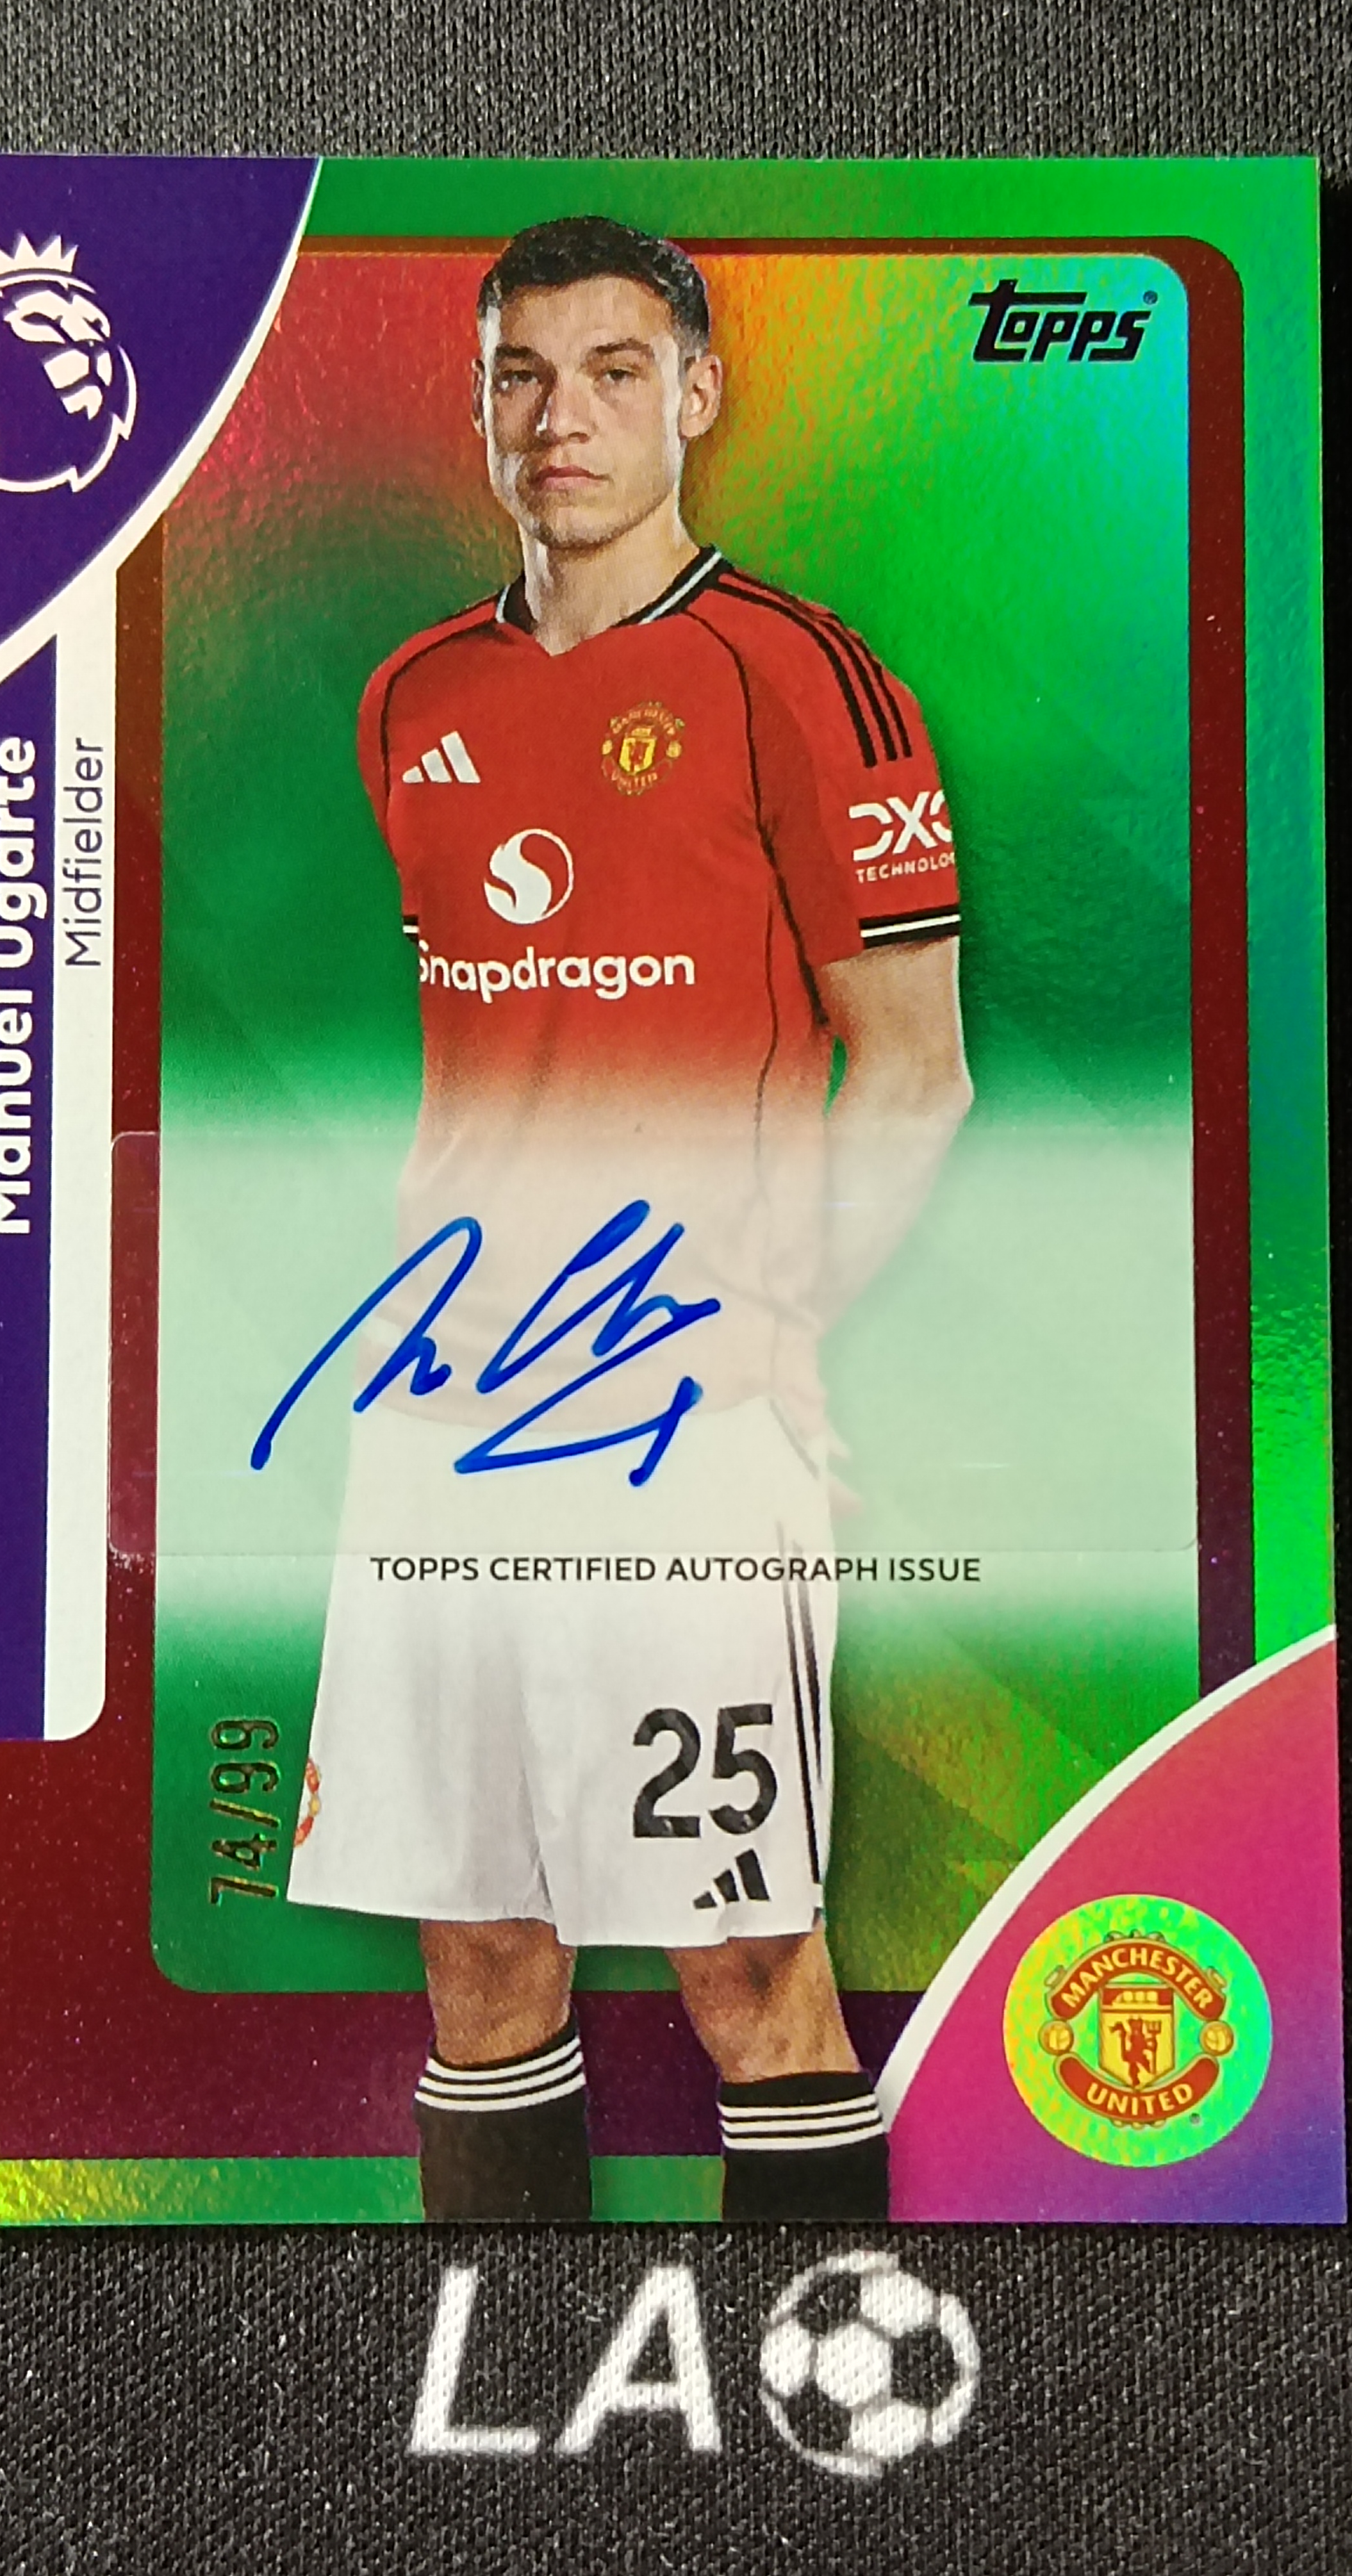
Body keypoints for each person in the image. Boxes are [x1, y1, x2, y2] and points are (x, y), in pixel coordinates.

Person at [281, 215, 971, 2220]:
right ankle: (502, 2388)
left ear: (693, 395)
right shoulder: (411, 695)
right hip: (440, 1413)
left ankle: (818, 2391)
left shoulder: (806, 678)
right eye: (518, 374)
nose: (558, 417)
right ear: (478, 405)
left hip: (681, 1420)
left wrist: (778, 1315)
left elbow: (912, 1072)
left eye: (609, 371)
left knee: (744, 1963)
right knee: (479, 1952)